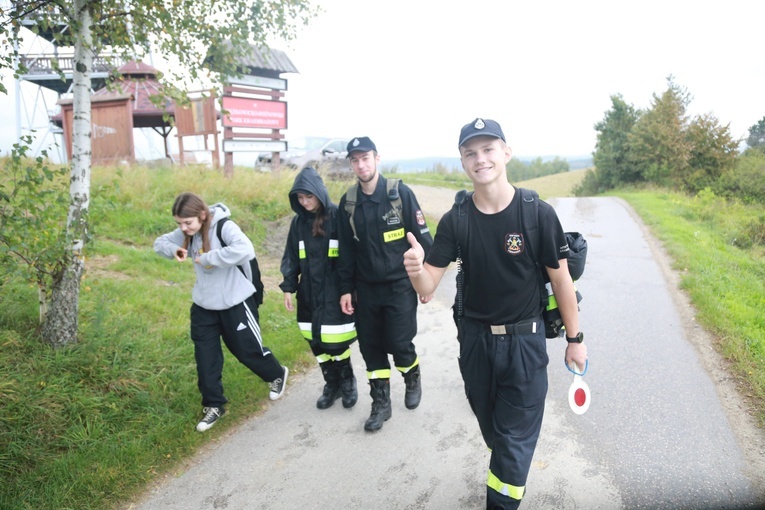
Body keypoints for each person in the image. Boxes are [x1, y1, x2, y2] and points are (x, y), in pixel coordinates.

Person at [402, 118, 588, 509]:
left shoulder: (536, 213)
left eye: (488, 149)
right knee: (496, 435)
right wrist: (417, 270)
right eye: (470, 153)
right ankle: (504, 468)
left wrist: (575, 340)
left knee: (512, 446)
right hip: (476, 346)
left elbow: (561, 280)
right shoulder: (457, 220)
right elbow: (428, 288)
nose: (480, 159)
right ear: (462, 162)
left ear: (506, 152)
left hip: (525, 344)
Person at [154, 192, 289, 432]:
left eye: (188, 223)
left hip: (235, 301)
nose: (184, 229)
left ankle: (277, 374)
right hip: (204, 306)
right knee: (206, 357)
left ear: (202, 215)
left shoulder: (224, 226)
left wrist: (210, 258)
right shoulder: (187, 232)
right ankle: (214, 405)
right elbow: (159, 243)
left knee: (246, 351)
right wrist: (175, 249)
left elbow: (245, 249)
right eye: (179, 224)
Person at [337, 136, 434, 432]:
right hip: (366, 290)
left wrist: (425, 282)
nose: (360, 164)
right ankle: (381, 403)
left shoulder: (399, 194)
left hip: (399, 286)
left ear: (377, 159)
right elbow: (345, 251)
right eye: (355, 160)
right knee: (370, 347)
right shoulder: (349, 203)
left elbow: (423, 240)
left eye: (365, 158)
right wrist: (345, 288)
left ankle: (411, 375)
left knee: (398, 342)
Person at [279, 167, 358, 410]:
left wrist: (348, 289)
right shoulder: (298, 223)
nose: (305, 202)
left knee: (335, 341)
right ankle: (331, 384)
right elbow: (291, 257)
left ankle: (347, 382)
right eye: (300, 198)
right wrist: (288, 287)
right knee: (315, 341)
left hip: (335, 291)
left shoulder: (338, 216)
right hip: (308, 293)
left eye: (309, 197)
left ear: (319, 193)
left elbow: (349, 256)